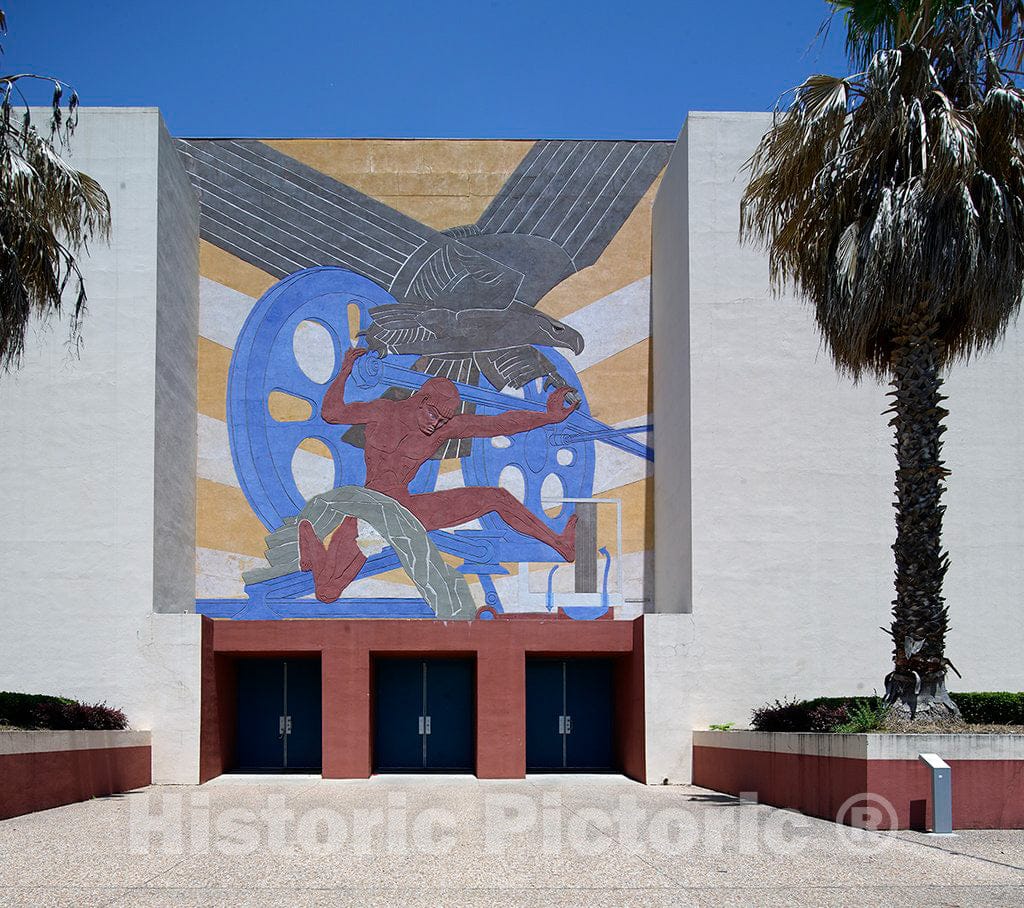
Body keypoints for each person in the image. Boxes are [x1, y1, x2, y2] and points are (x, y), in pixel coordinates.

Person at [297, 346, 579, 601]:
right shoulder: (384, 411)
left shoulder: (444, 428)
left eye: (443, 419)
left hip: (406, 511)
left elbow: (499, 424)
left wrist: (549, 417)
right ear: (420, 400)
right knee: (327, 591)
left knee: (497, 497)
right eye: (433, 414)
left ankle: (560, 543)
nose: (436, 424)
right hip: (368, 512)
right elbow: (332, 413)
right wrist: (345, 370)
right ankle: (308, 539)